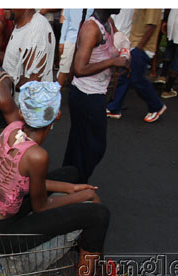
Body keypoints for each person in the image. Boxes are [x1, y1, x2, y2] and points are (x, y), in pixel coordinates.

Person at [0, 81, 110, 276]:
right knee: (99, 214)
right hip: (4, 234)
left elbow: (20, 180)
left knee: (72, 173)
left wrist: (70, 188)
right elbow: (41, 206)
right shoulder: (37, 155)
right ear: (57, 115)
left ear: (22, 111)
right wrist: (80, 196)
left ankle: (89, 255)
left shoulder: (13, 129)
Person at [62, 9, 128, 183]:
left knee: (79, 146)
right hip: (86, 96)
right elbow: (79, 69)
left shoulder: (108, 23)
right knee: (93, 147)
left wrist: (120, 60)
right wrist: (113, 62)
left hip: (92, 94)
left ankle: (68, 186)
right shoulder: (92, 28)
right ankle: (75, 187)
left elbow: (105, 52)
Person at [106, 9, 167, 123]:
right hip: (133, 43)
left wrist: (139, 48)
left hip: (142, 48)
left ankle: (157, 106)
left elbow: (152, 26)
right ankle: (114, 108)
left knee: (137, 79)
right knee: (124, 76)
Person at [2, 9, 56, 104]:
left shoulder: (36, 29)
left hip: (26, 110)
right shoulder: (21, 23)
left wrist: (1, 82)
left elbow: (32, 82)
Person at [57, 9, 94, 86]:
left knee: (82, 70)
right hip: (71, 39)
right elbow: (66, 21)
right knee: (64, 69)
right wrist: (62, 41)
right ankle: (56, 95)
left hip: (87, 40)